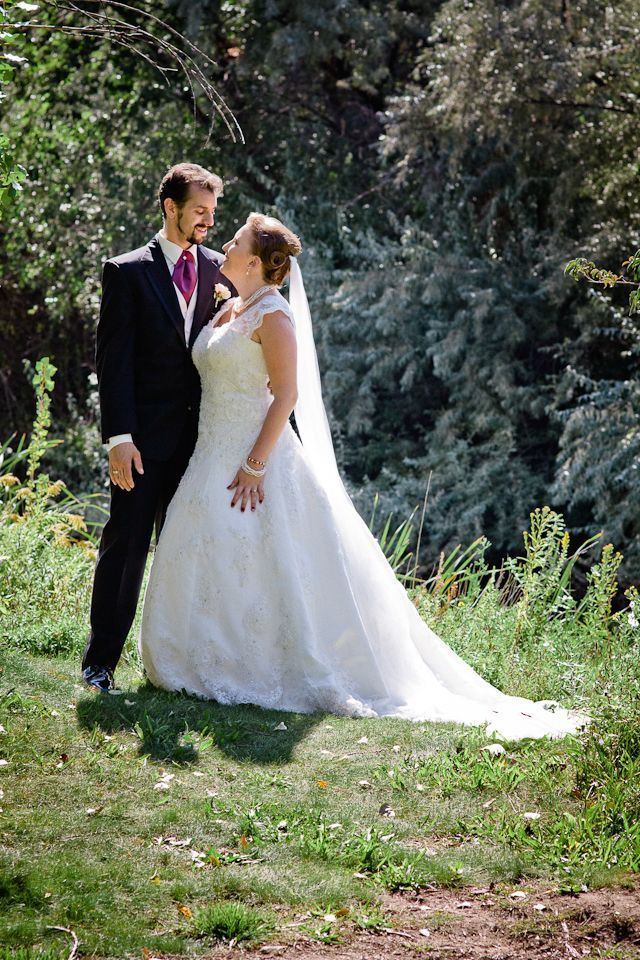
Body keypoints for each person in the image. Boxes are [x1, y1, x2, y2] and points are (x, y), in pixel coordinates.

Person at [138, 213, 586, 741]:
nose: (224, 247)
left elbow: (286, 395)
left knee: (255, 554)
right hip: (209, 452)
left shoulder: (274, 317)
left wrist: (256, 464)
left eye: (234, 242)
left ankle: (254, 667)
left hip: (254, 460)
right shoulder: (232, 306)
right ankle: (190, 660)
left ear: (255, 262)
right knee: (199, 547)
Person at [82, 163, 235, 693]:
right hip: (143, 443)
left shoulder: (223, 270)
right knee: (125, 546)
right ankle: (100, 662)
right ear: (170, 207)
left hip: (204, 444)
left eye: (213, 214)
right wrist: (119, 439)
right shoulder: (125, 272)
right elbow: (113, 360)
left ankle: (183, 665)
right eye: (199, 211)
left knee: (193, 551)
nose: (208, 222)